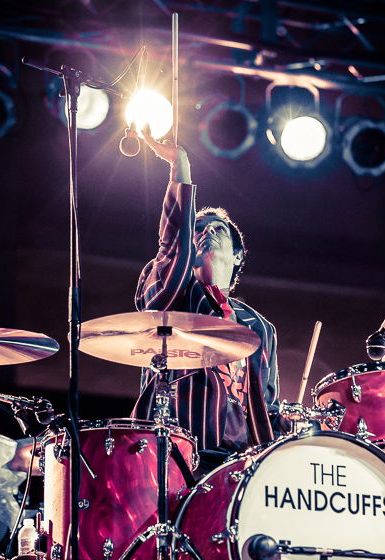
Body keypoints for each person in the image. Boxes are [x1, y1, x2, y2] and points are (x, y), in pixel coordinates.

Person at [131, 130, 288, 476]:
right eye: (196, 227)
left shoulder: (261, 328)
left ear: (237, 254)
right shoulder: (171, 293)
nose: (205, 231)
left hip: (237, 469)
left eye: (216, 227)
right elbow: (173, 248)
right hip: (174, 459)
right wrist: (180, 170)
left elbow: (269, 409)